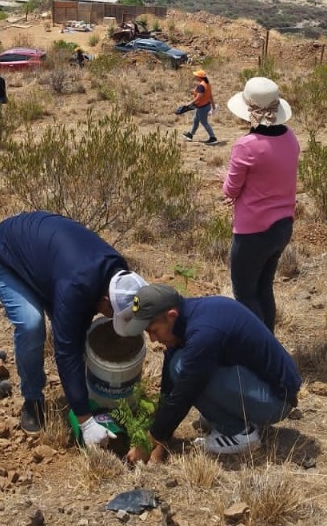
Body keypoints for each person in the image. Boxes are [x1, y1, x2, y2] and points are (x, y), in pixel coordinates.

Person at [0, 211, 145, 439]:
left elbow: (79, 323)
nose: (110, 318)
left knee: (75, 327)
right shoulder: (76, 287)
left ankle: (79, 393)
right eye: (112, 313)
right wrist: (85, 420)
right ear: (106, 299)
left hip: (47, 263)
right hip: (5, 254)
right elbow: (66, 350)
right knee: (32, 325)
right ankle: (32, 399)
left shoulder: (119, 273)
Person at [122, 283, 301, 461]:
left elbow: (185, 392)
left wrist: (152, 439)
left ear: (171, 315)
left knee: (183, 368)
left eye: (153, 331)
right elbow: (170, 388)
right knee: (179, 366)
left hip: (276, 401)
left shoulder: (204, 333)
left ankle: (239, 434)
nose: (153, 340)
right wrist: (161, 438)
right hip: (262, 386)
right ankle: (235, 417)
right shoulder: (189, 317)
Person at [223, 78, 298, 334]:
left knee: (244, 292)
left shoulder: (246, 146)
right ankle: (270, 346)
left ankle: (259, 352)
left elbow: (230, 190)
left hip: (253, 230)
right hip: (282, 226)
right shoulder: (290, 138)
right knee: (264, 287)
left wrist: (225, 181)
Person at [183, 69, 218, 145]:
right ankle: (190, 135)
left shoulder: (201, 86)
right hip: (205, 106)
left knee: (204, 122)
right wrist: (213, 106)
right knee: (195, 120)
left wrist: (189, 103)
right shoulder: (207, 84)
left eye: (196, 76)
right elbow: (210, 96)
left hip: (202, 107)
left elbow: (199, 97)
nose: (195, 77)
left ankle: (213, 138)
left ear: (200, 77)